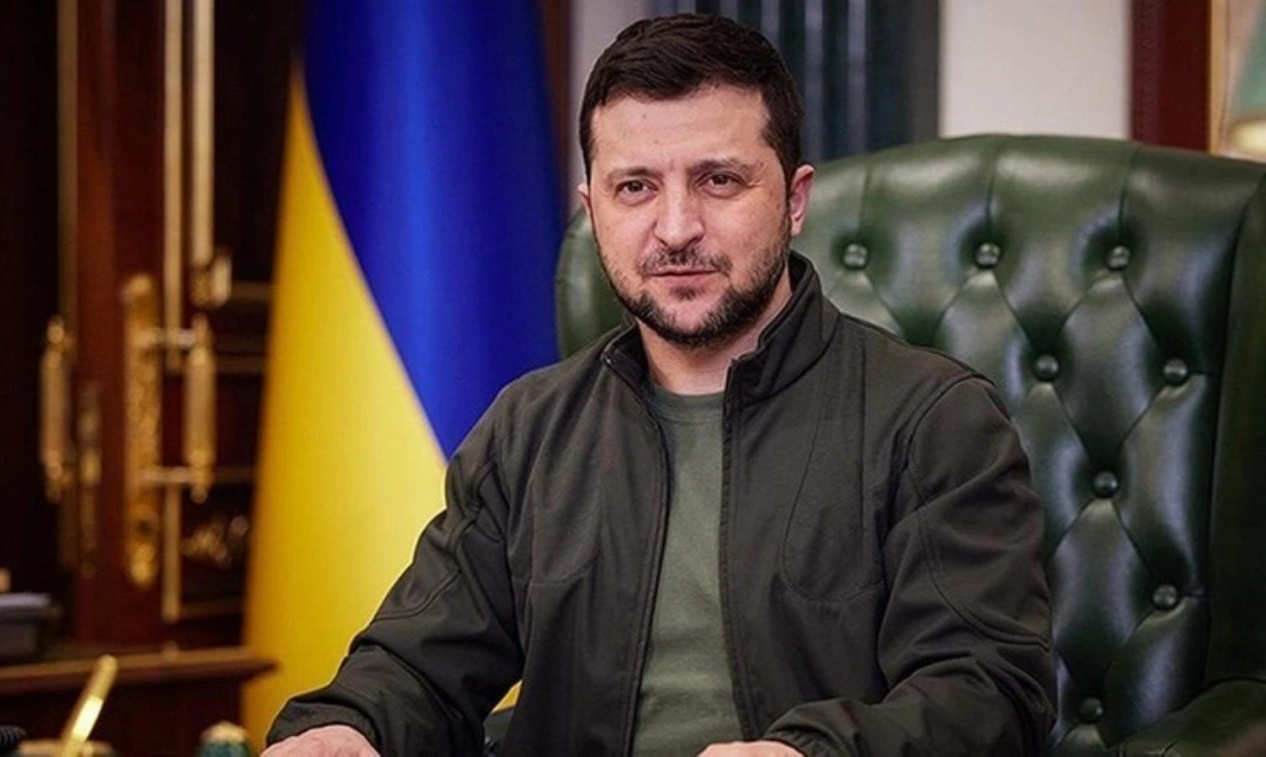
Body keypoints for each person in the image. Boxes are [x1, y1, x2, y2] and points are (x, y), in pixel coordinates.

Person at [265, 14, 1055, 756]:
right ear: (593, 210)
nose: (676, 228)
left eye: (719, 180)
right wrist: (346, 727)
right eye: (635, 187)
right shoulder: (530, 428)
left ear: (795, 200)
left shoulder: (933, 420)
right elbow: (416, 663)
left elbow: (988, 693)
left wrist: (809, 750)